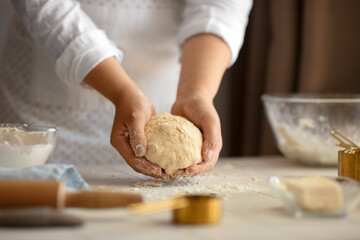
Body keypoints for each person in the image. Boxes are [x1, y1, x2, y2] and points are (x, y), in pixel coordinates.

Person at [0, 0, 252, 180]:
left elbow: (221, 6)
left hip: (171, 83)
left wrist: (196, 93)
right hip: (50, 94)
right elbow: (46, 5)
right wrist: (121, 91)